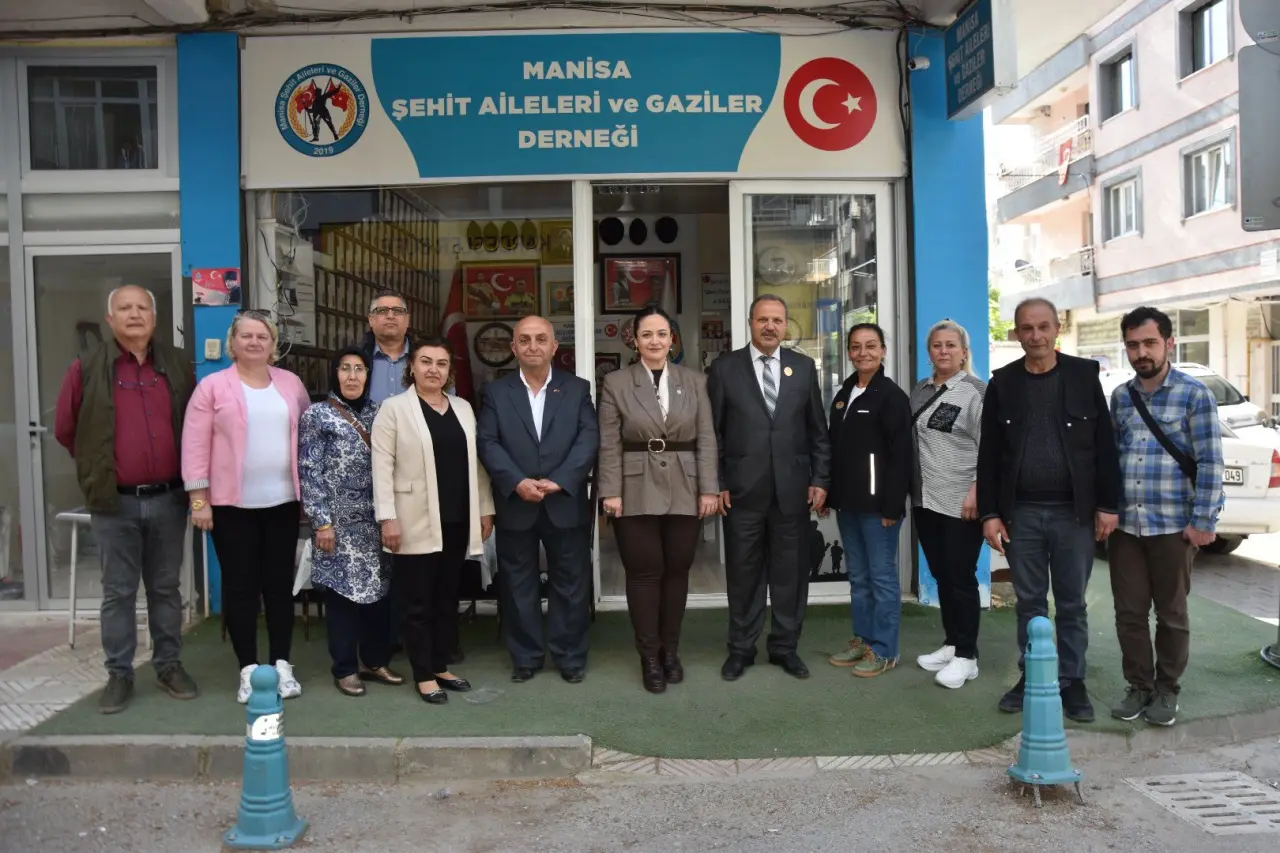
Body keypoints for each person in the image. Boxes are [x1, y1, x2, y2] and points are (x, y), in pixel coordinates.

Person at [54, 285, 197, 715]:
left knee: (165, 588)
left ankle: (169, 666)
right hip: (114, 504)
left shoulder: (176, 365)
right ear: (110, 318)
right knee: (118, 591)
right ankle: (119, 674)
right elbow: (66, 430)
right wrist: (100, 469)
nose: (134, 314)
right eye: (125, 308)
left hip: (169, 498)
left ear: (154, 316)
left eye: (142, 308)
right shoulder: (87, 368)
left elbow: (193, 426)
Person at [977, 298, 1121, 723]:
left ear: (1057, 328)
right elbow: (989, 455)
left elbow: (1105, 445)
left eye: (1043, 327)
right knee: (1030, 603)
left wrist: (1107, 505)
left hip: (1074, 515)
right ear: (1017, 333)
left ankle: (1073, 681)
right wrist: (990, 513)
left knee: (1072, 604)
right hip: (1021, 514)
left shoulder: (1083, 376)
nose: (1035, 336)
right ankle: (1033, 676)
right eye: (1027, 328)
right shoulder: (1003, 383)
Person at [182, 310, 312, 703]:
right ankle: (249, 670)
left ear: (273, 345)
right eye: (246, 336)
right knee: (240, 588)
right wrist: (199, 500)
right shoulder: (212, 387)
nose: (254, 342)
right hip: (231, 507)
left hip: (283, 503)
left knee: (279, 586)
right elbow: (194, 445)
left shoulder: (291, 384)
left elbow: (307, 437)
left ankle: (282, 664)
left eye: (262, 336)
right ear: (232, 343)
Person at [1108, 306, 1223, 727]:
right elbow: (1111, 459)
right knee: (1129, 613)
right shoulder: (1121, 397)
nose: (1141, 352)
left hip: (1174, 526)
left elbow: (1210, 461)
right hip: (1126, 527)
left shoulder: (1195, 395)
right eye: (1133, 345)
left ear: (1169, 343)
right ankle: (1138, 685)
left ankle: (1167, 689)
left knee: (1171, 614)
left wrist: (1204, 521)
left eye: (1150, 343)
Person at [707, 294, 831, 681]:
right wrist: (718, 482)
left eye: (777, 320)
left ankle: (784, 647)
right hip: (741, 492)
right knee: (744, 575)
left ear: (786, 325)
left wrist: (819, 479)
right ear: (750, 323)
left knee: (790, 575)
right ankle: (741, 649)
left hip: (792, 491)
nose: (770, 327)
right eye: (763, 320)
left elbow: (817, 430)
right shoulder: (725, 368)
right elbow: (713, 433)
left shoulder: (803, 367)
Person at [597, 305, 720, 693]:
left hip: (686, 485)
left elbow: (706, 438)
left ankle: (671, 651)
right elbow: (609, 442)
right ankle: (649, 654)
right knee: (644, 572)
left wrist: (709, 489)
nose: (655, 341)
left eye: (662, 334)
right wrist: (611, 491)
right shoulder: (616, 382)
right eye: (646, 334)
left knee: (677, 570)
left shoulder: (695, 381)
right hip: (633, 487)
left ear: (672, 340)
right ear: (635, 340)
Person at [477, 315, 599, 684]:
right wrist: (516, 482)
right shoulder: (496, 392)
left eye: (541, 339)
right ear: (513, 347)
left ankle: (570, 657)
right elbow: (487, 442)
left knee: (571, 583)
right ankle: (526, 658)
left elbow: (589, 438)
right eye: (525, 340)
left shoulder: (577, 388)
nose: (533, 346)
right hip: (516, 503)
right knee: (518, 584)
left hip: (565, 501)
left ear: (554, 346)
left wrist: (561, 481)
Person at [372, 337, 495, 704]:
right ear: (411, 367)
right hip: (413, 519)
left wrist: (485, 507)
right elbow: (381, 468)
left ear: (449, 371)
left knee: (446, 597)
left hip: (456, 519)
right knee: (418, 602)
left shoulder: (463, 408)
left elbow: (477, 464)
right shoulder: (393, 409)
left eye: (441, 363)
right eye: (425, 361)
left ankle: (440, 665)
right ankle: (423, 674)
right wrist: (388, 517)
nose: (433, 369)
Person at [299, 347, 403, 697]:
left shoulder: (381, 413)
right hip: (337, 526)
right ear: (335, 373)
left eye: (359, 369)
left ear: (368, 375)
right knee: (342, 597)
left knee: (378, 595)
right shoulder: (318, 414)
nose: (352, 375)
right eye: (345, 368)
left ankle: (374, 660)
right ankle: (345, 668)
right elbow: (310, 471)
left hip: (375, 522)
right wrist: (322, 523)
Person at [824, 322, 912, 678]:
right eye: (856, 346)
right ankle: (863, 640)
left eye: (871, 345)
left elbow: (901, 456)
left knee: (882, 578)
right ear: (849, 352)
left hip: (879, 509)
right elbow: (835, 448)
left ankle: (886, 650)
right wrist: (829, 493)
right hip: (848, 505)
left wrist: (892, 505)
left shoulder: (891, 396)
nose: (863, 352)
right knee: (859, 578)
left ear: (883, 351)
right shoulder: (844, 393)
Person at [908, 320, 987, 689]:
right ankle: (953, 643)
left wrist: (977, 490)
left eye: (951, 345)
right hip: (926, 499)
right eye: (937, 345)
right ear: (930, 352)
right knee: (942, 574)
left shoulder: (976, 392)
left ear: (964, 351)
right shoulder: (920, 389)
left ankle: (967, 657)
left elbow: (992, 447)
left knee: (960, 577)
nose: (943, 351)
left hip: (961, 501)